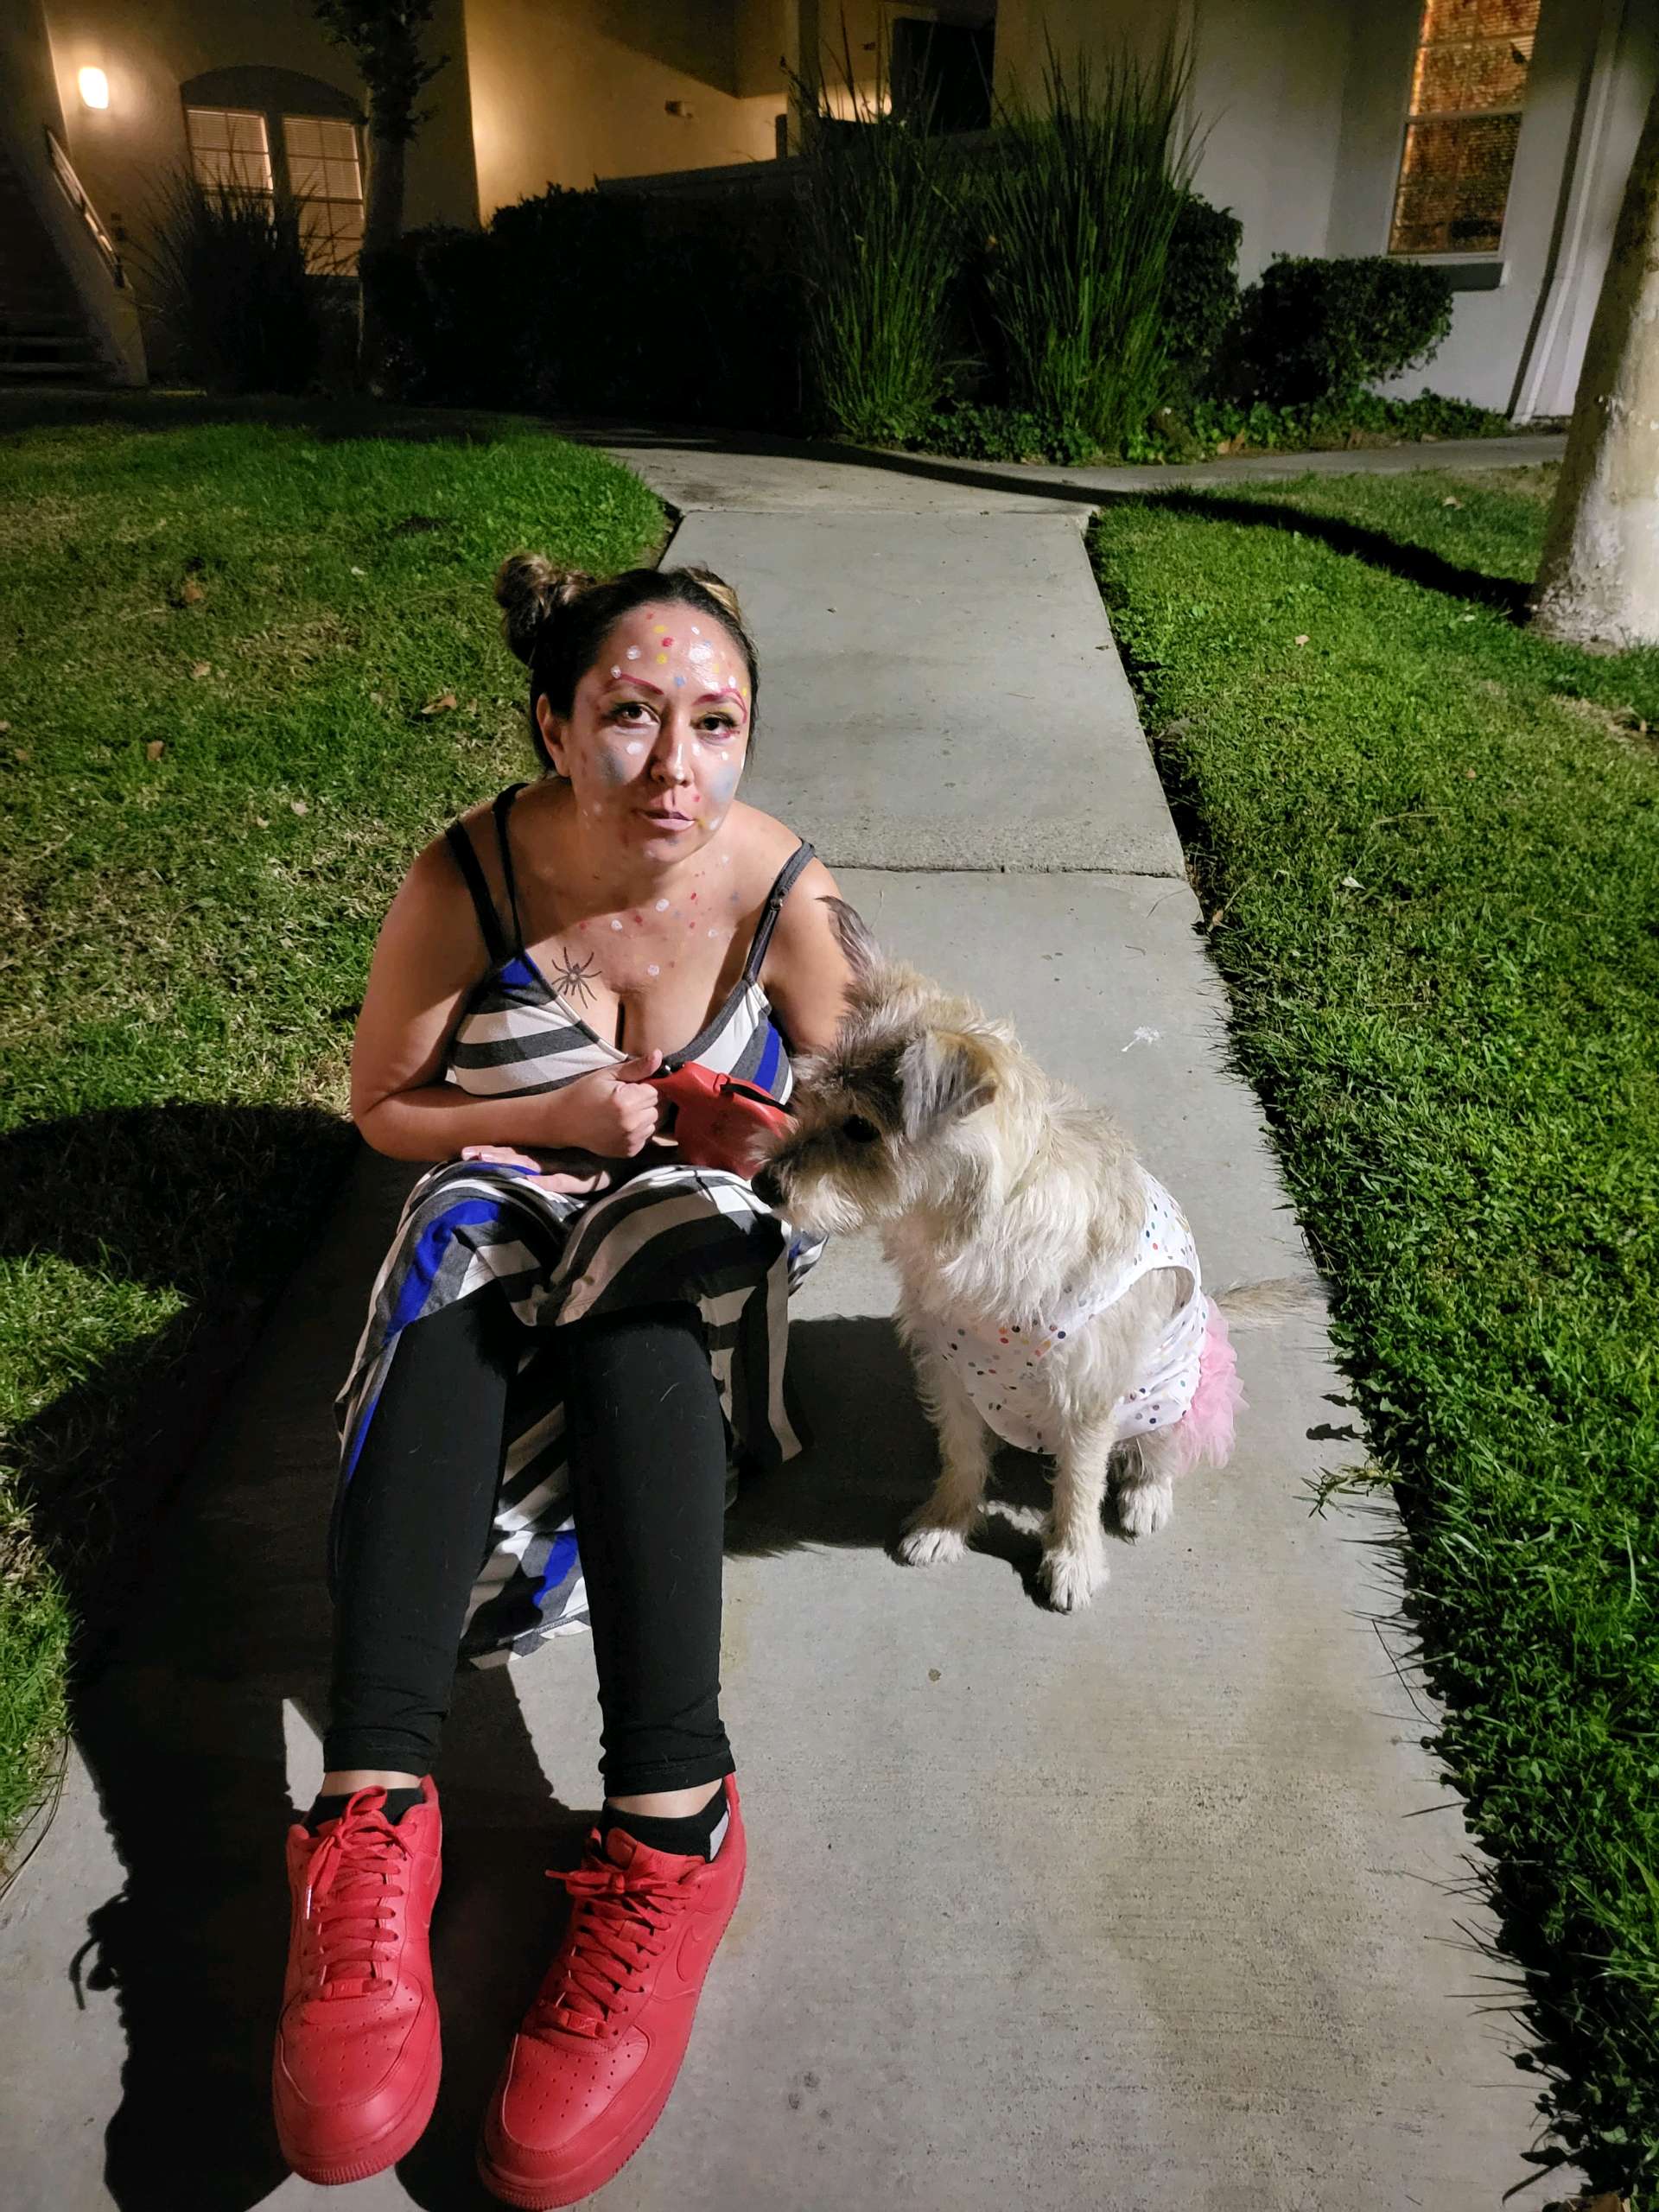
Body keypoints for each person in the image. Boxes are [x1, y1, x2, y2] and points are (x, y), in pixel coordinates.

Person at [271, 556, 855, 2204]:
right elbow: (384, 1111)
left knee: (642, 1269)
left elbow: (874, 1114)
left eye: (716, 724)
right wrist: (550, 1119)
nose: (676, 767)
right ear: (553, 723)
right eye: (630, 716)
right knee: (458, 1227)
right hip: (502, 1223)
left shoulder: (785, 891)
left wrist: (759, 1139)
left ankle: (674, 1829)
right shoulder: (467, 875)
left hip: (686, 1290)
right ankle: (371, 1809)